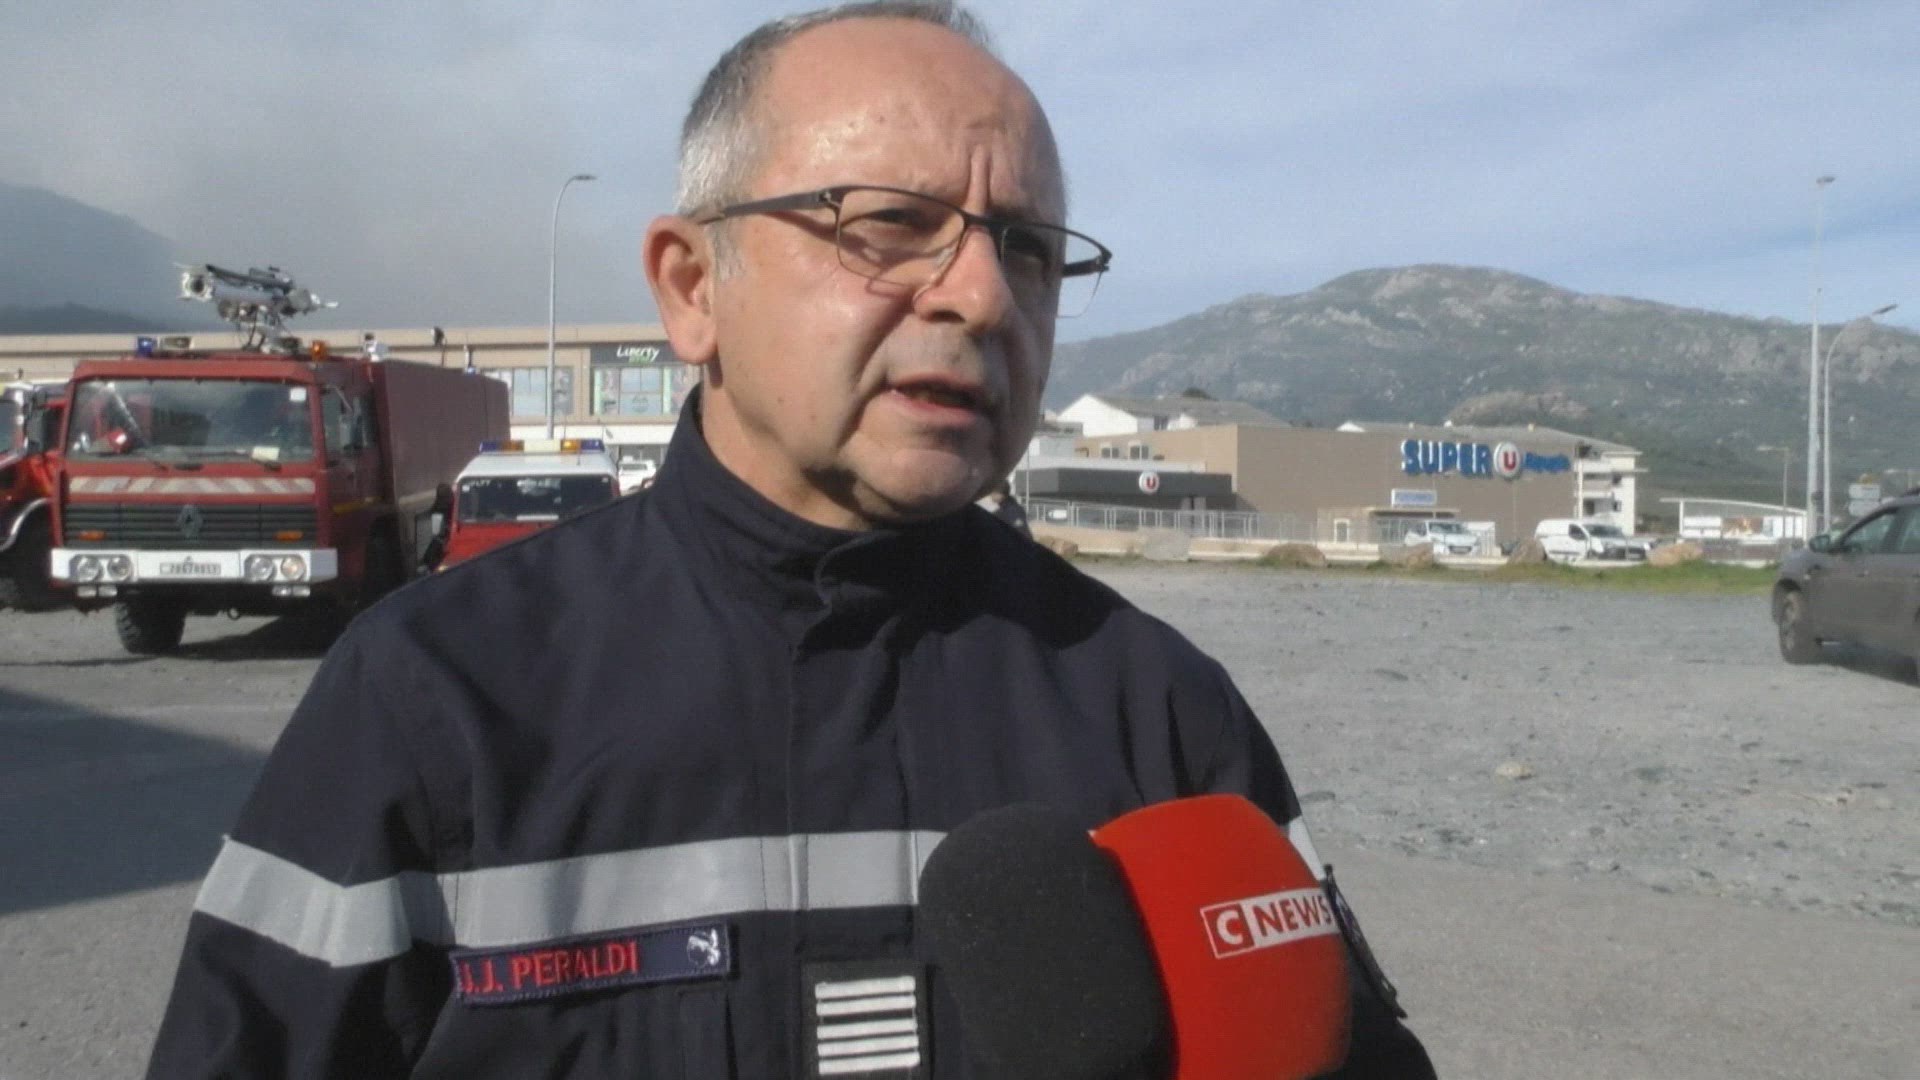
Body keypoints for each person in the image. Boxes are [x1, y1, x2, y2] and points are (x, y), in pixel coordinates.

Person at [146, 4, 1434, 1077]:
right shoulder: (433, 698)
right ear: (692, 288)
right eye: (891, 221)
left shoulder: (1157, 709)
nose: (982, 295)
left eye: (1030, 250)